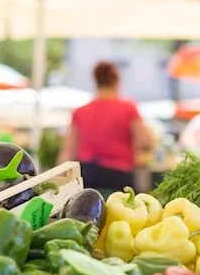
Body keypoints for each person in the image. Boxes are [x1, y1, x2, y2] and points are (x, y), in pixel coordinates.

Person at [59, 61, 152, 193]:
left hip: (87, 175)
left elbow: (69, 149)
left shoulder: (80, 112)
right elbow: (145, 141)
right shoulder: (128, 108)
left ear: (96, 82)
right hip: (119, 177)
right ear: (117, 82)